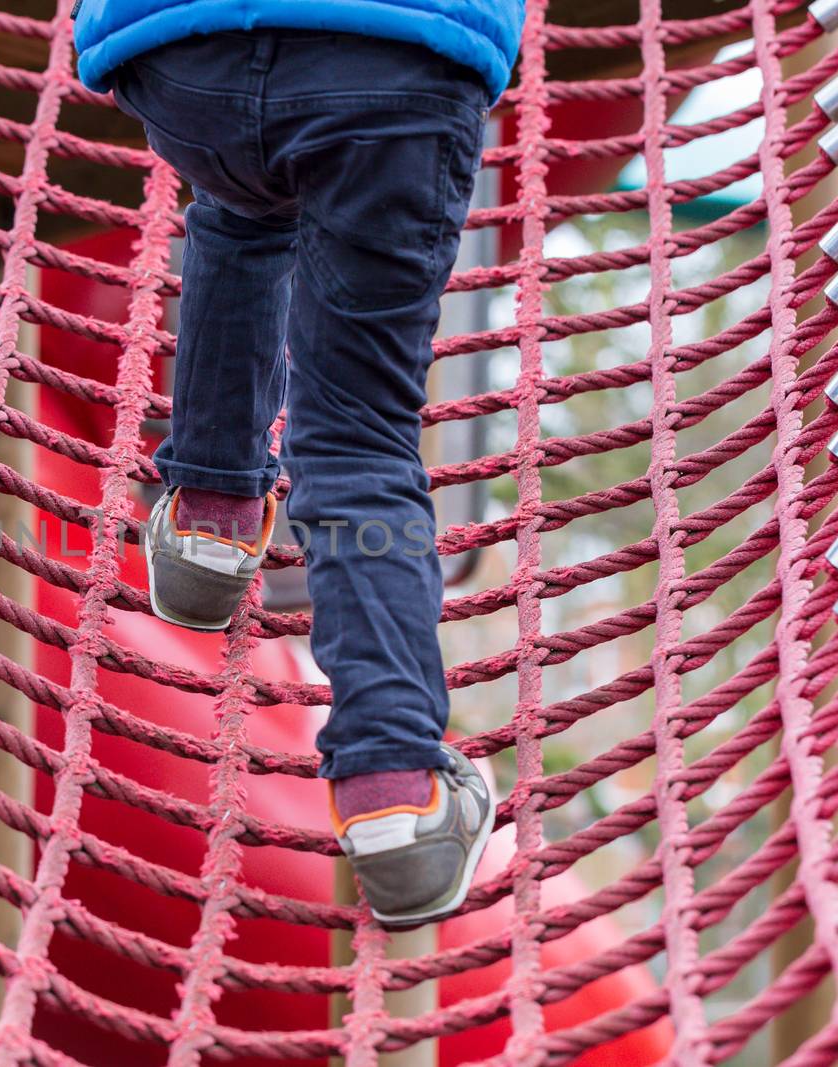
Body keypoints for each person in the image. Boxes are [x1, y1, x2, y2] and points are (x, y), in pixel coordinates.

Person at [73, 0, 522, 926]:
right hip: (393, 66)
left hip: (182, 59)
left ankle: (209, 520)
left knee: (241, 197)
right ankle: (393, 791)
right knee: (357, 431)